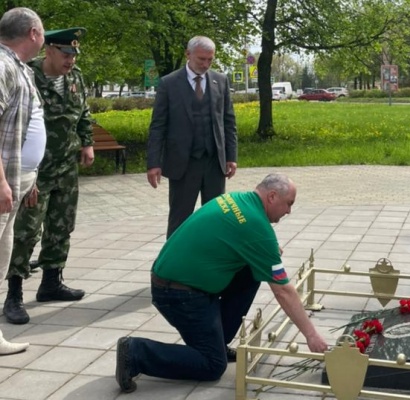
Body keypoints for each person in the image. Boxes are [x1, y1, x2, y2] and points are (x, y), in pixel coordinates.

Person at [115, 173, 328, 393]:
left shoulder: (238, 200)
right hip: (178, 294)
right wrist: (311, 335)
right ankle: (136, 352)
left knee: (253, 270)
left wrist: (264, 252)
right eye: (289, 203)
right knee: (213, 365)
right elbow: (283, 290)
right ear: (272, 196)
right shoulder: (256, 225)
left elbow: (240, 238)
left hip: (178, 280)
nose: (289, 211)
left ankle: (217, 341)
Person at [2, 27, 94, 325]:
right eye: (66, 54)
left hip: (66, 166)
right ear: (49, 50)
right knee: (26, 231)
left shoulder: (76, 77)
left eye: (74, 54)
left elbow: (83, 112)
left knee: (61, 225)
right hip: (36, 170)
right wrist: (27, 175)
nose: (71, 60)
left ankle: (52, 282)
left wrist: (87, 143)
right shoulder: (27, 75)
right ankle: (13, 294)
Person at [146, 35, 238, 238]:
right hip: (183, 164)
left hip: (214, 163)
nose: (205, 64)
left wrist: (231, 156)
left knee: (216, 217)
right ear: (188, 54)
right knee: (180, 220)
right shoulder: (169, 83)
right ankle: (175, 257)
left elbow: (228, 122)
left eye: (210, 60)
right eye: (201, 59)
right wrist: (153, 163)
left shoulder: (220, 81)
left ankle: (212, 255)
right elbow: (158, 126)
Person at [0, 7, 46, 353]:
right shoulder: (2, 66)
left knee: (1, 257)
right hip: (3, 183)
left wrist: (29, 179)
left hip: (17, 181)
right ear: (32, 33)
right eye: (43, 32)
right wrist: (1, 182)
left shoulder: (20, 68)